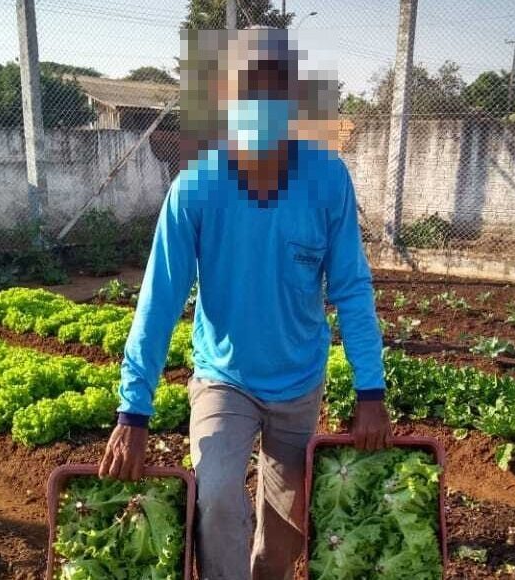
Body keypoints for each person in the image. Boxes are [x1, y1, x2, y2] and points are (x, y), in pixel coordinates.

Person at [99, 28, 391, 580]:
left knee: (287, 522)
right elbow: (159, 301)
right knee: (216, 496)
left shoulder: (327, 178)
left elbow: (351, 288)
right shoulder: (196, 187)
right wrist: (133, 412)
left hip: (299, 380)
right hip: (224, 378)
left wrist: (370, 391)